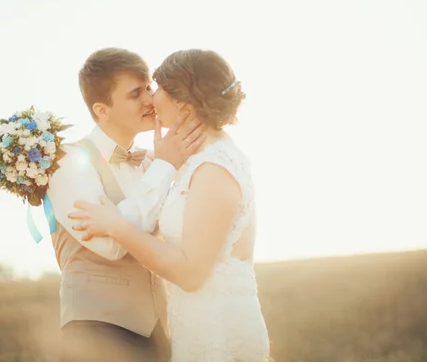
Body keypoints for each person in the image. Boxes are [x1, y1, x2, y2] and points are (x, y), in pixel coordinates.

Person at [70, 49, 271, 361]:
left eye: (156, 89)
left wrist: (116, 225)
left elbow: (191, 273)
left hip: (218, 332)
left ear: (181, 102)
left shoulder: (215, 168)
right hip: (196, 327)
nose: (151, 100)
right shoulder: (196, 162)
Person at [46, 47, 206, 362]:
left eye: (149, 87)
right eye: (136, 94)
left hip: (158, 332)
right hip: (96, 334)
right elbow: (111, 246)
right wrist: (165, 167)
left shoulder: (152, 162)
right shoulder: (66, 163)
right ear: (102, 110)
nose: (150, 99)